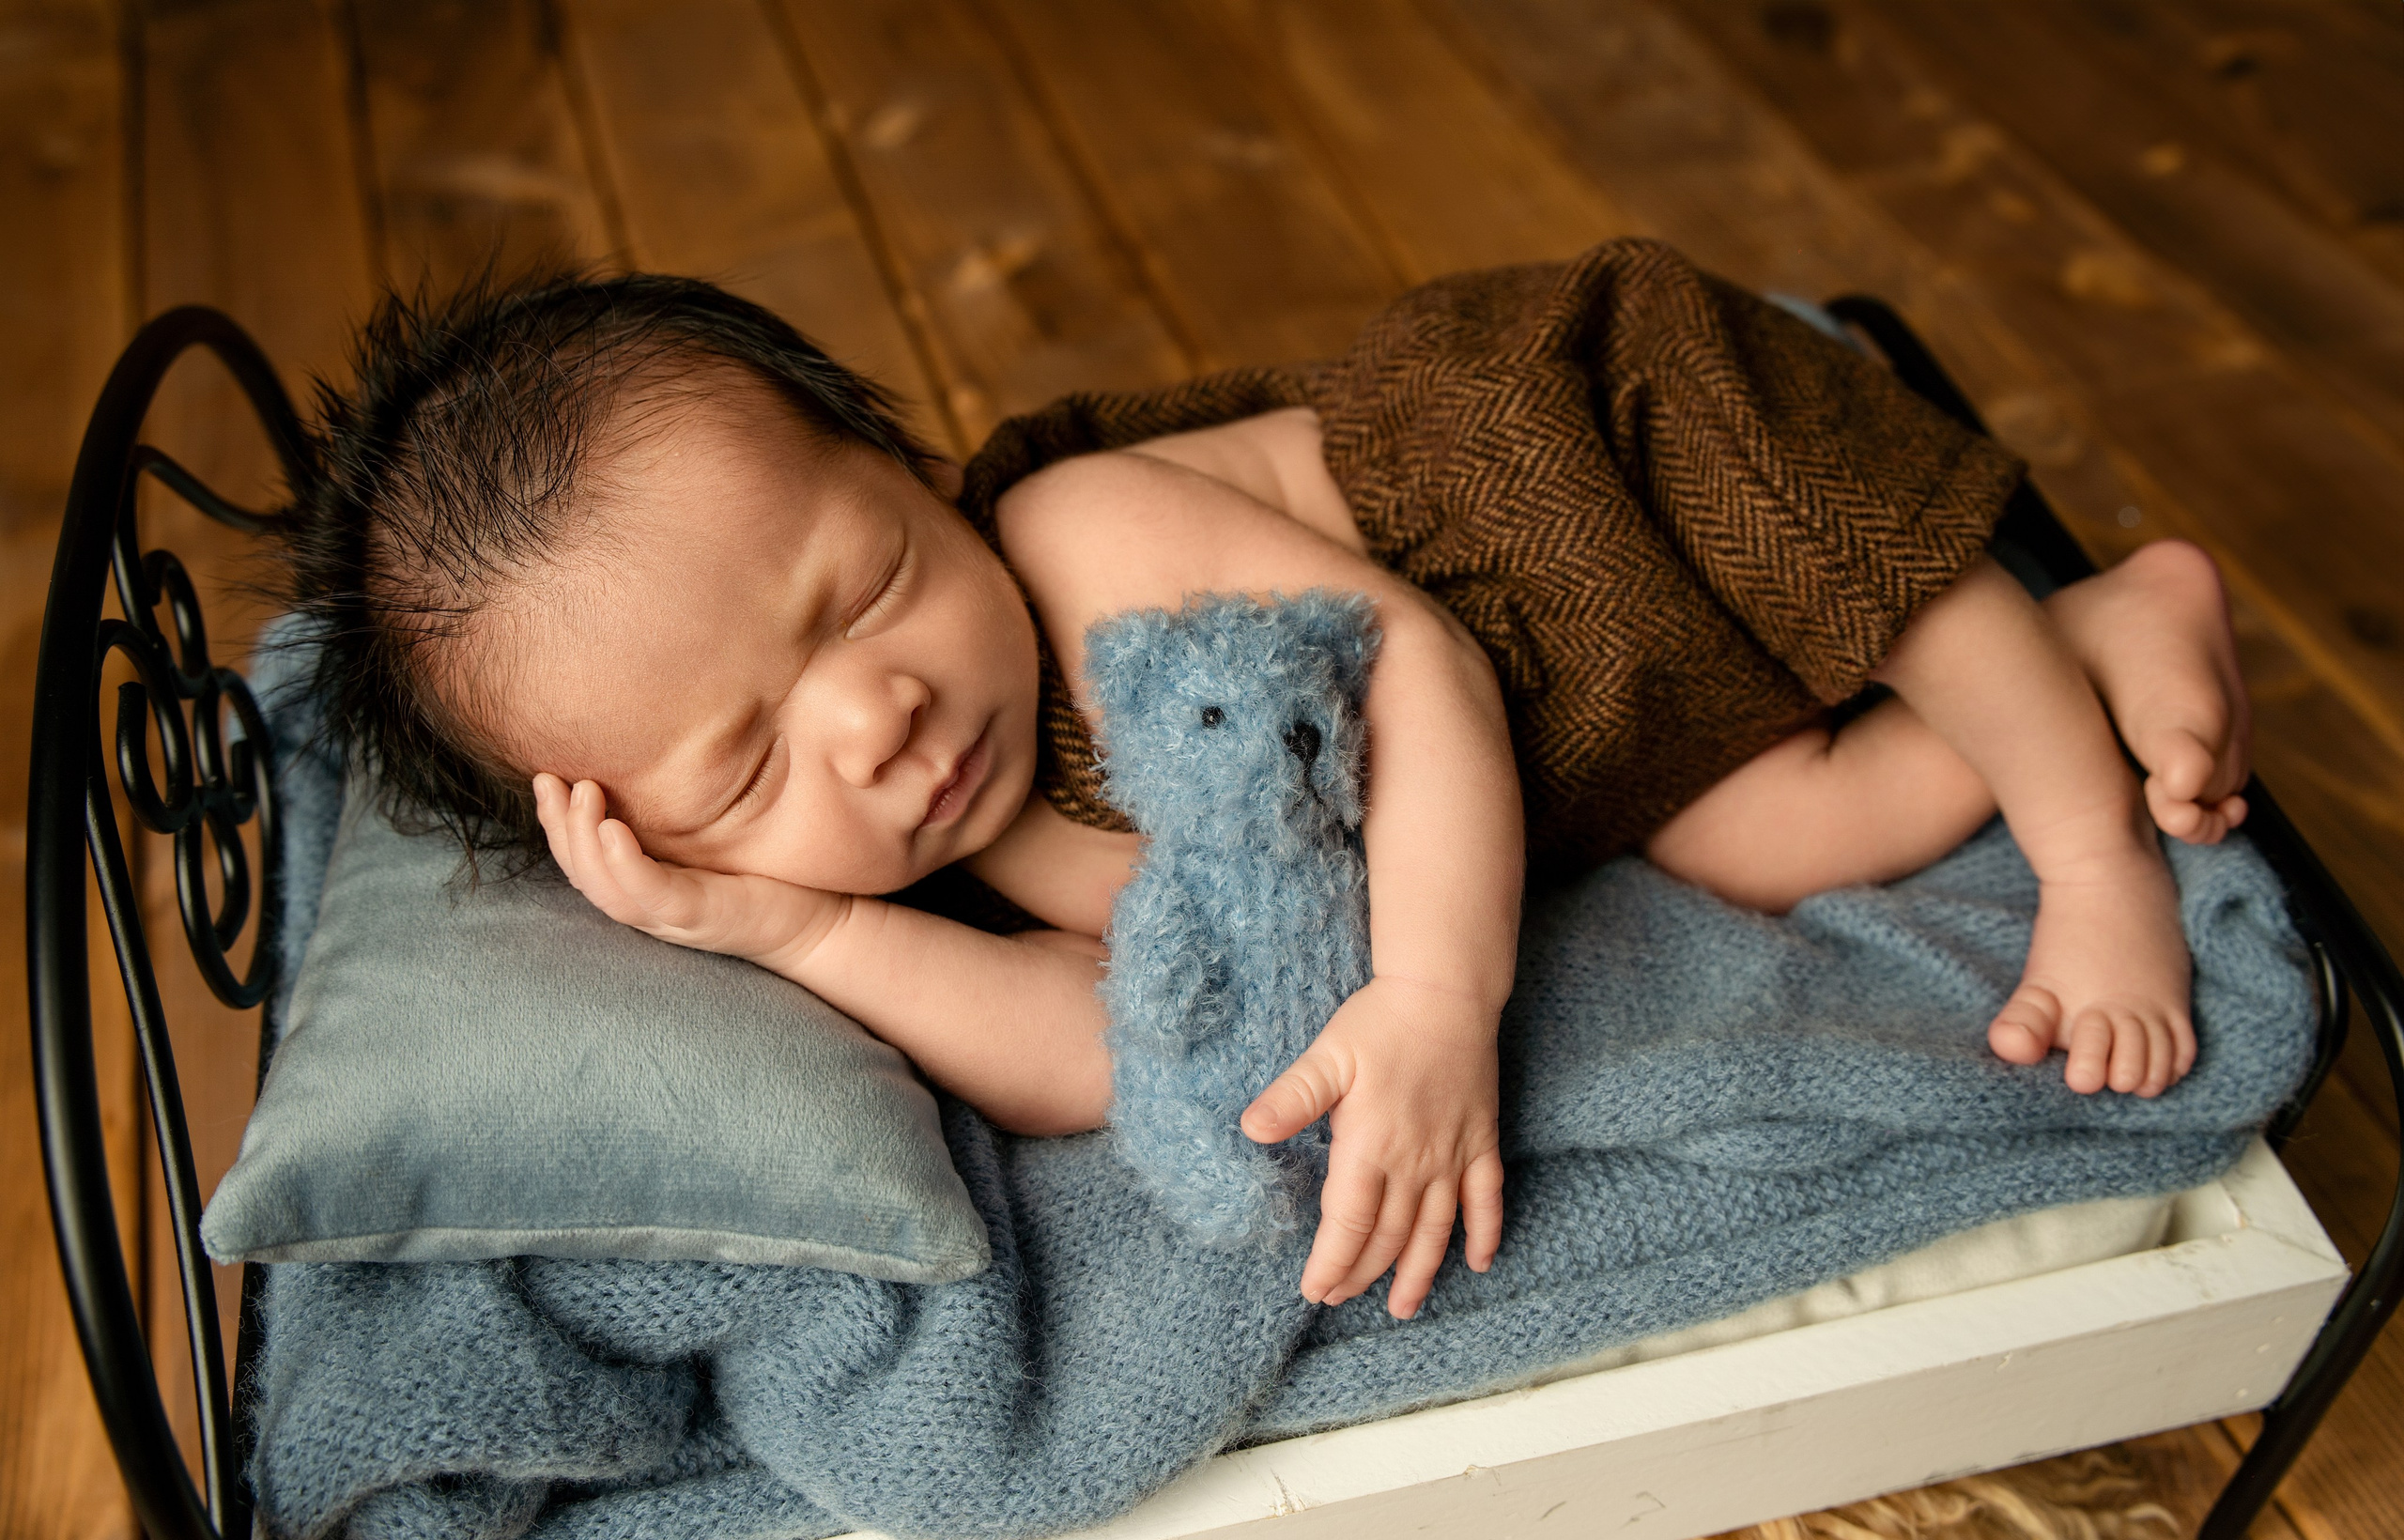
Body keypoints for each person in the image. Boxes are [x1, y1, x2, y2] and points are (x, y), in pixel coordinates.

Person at [279, 250, 2251, 1326]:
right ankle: (2108, 628)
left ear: (911, 467)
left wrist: (1437, 995)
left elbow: (1424, 668)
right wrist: (795, 926)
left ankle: (2090, 846)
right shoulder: (949, 848)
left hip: (1596, 467)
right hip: (1595, 728)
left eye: (865, 584)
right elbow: (1105, 1045)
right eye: (746, 763)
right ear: (644, 830)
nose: (873, 712)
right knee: (1783, 835)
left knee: (1863, 571)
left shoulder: (1071, 543)